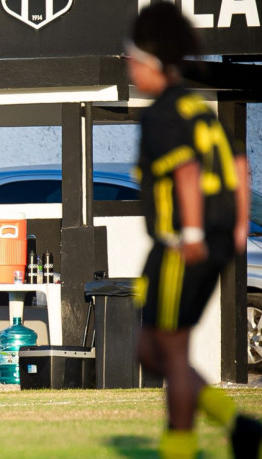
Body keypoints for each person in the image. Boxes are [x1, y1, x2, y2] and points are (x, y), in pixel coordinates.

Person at [127, 4, 261, 458]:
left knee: (171, 352)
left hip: (181, 244)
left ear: (150, 60)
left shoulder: (163, 113)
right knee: (152, 351)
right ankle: (240, 426)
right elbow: (239, 162)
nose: (129, 67)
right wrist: (238, 227)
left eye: (131, 57)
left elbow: (186, 171)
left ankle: (179, 448)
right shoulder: (195, 107)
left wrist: (193, 235)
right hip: (212, 239)